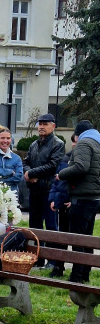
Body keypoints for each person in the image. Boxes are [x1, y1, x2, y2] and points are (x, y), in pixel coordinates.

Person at [57, 119, 100, 283]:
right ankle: (85, 275)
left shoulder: (84, 143)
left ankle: (76, 277)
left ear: (77, 134)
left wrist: (61, 174)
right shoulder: (97, 144)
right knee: (87, 239)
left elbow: (81, 167)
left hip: (82, 197)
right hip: (94, 197)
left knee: (78, 240)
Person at [23, 113, 65, 267]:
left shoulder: (57, 144)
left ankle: (52, 261)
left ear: (53, 126)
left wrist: (32, 173)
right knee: (34, 226)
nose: (41, 126)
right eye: (40, 123)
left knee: (51, 226)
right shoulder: (34, 144)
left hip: (49, 191)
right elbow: (25, 162)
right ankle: (37, 259)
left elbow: (53, 165)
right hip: (34, 190)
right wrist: (28, 173)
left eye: (45, 124)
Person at [48, 136, 75, 278]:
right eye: (74, 142)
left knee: (76, 240)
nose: (75, 144)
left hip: (74, 205)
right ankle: (59, 267)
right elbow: (56, 182)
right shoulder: (65, 159)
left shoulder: (83, 161)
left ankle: (78, 271)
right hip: (61, 205)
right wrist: (53, 199)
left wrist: (74, 200)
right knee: (61, 238)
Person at [0, 128, 23, 193]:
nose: (5, 141)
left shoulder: (17, 158)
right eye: (2, 138)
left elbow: (19, 177)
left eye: (8, 138)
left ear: (11, 140)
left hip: (12, 194)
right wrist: (9, 172)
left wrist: (1, 181)